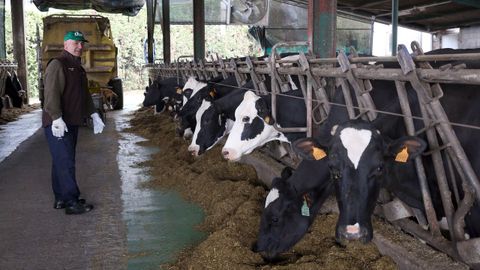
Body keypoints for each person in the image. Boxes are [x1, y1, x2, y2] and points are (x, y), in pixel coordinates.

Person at [42, 31, 105, 215]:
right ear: (66, 44)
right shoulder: (57, 64)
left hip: (71, 122)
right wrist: (56, 118)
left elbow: (84, 95)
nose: (80, 47)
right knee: (66, 161)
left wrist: (93, 114)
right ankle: (71, 201)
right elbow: (51, 94)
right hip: (58, 122)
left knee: (60, 160)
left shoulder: (78, 68)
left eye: (81, 43)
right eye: (75, 43)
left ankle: (60, 198)